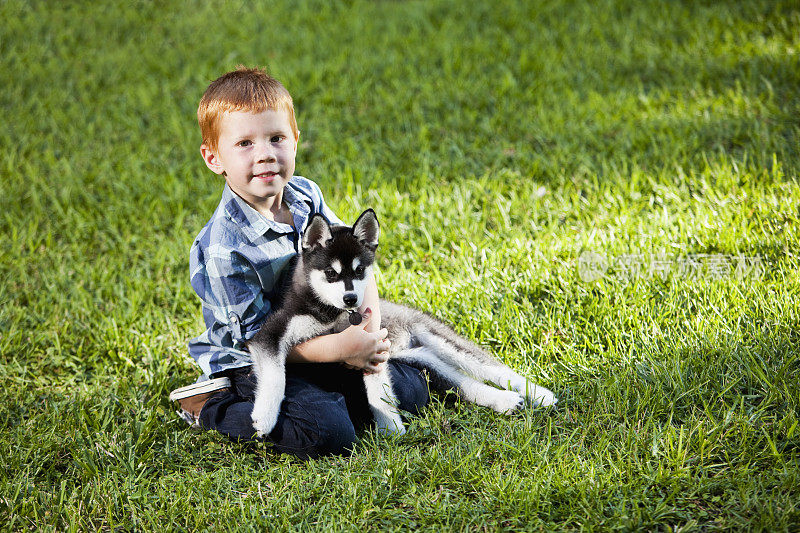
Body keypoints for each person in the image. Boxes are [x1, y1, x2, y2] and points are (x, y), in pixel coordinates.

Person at [169, 67, 428, 459]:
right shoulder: (225, 247)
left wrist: (368, 338)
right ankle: (209, 408)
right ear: (214, 158)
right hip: (257, 360)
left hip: (320, 337)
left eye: (276, 138)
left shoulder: (306, 195)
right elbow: (259, 339)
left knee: (413, 389)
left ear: (295, 141)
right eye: (244, 143)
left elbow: (356, 260)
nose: (265, 154)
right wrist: (342, 348)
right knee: (326, 434)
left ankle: (333, 397)